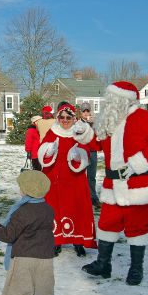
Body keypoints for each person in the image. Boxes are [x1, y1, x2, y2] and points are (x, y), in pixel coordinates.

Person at [76, 81, 148, 286]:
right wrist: (83, 133)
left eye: (112, 99)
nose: (109, 103)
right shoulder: (110, 121)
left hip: (141, 184)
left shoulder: (144, 118)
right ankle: (103, 265)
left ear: (124, 100)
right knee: (107, 224)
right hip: (113, 184)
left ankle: (136, 269)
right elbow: (97, 144)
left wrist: (138, 163)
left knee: (137, 227)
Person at [38, 101, 97, 257]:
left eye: (68, 117)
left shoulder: (78, 132)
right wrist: (49, 150)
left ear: (73, 118)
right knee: (54, 209)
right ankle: (56, 242)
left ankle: (78, 241)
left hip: (74, 178)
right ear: (58, 117)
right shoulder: (52, 131)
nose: (65, 120)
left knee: (77, 208)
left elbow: (88, 149)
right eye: (62, 117)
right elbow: (42, 150)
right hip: (54, 179)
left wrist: (79, 155)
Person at [80, 102, 101, 209]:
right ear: (81, 113)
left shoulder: (94, 123)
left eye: (87, 111)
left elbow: (98, 136)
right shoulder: (78, 123)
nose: (86, 113)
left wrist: (94, 125)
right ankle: (82, 198)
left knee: (91, 177)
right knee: (81, 176)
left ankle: (93, 197)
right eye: (84, 111)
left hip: (92, 151)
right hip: (82, 152)